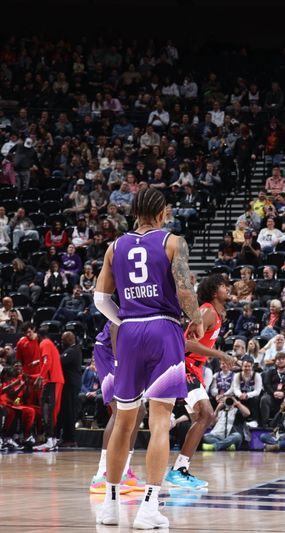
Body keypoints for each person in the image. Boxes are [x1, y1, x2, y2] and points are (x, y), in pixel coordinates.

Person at [94, 188, 203, 529]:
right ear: (162, 212)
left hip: (128, 333)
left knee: (124, 422)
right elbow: (185, 290)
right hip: (163, 330)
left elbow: (100, 298)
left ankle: (110, 507)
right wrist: (196, 320)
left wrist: (124, 321)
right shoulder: (173, 242)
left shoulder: (115, 246)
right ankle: (148, 508)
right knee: (159, 421)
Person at [166, 274, 236, 489]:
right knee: (206, 414)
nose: (229, 288)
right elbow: (186, 343)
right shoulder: (207, 311)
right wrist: (221, 355)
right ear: (215, 291)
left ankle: (180, 467)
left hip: (193, 367)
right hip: (184, 365)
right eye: (224, 286)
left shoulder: (216, 313)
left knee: (200, 417)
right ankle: (178, 470)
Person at [89, 322, 146, 495]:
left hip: (126, 354)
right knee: (119, 409)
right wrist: (118, 359)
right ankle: (102, 474)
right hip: (109, 352)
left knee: (139, 409)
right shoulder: (133, 300)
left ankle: (123, 469)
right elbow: (115, 327)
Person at [58, 332, 82, 446]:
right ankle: (67, 438)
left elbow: (60, 360)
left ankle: (70, 439)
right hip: (70, 385)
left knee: (69, 411)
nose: (61, 342)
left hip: (71, 385)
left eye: (63, 339)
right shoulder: (73, 350)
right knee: (67, 411)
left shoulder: (73, 351)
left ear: (69, 339)